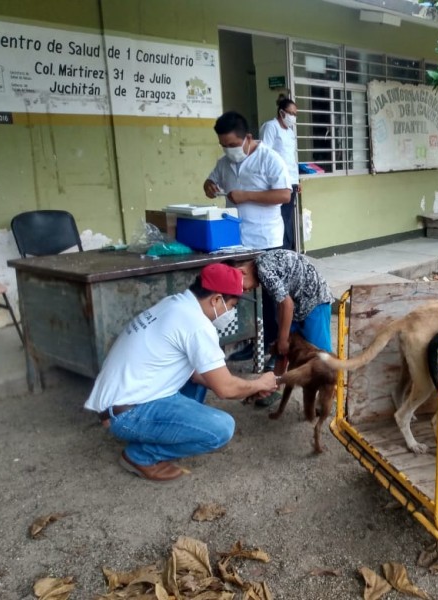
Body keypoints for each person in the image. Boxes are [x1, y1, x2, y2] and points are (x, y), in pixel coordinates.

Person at [84, 263, 279, 482]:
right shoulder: (197, 326)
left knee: (202, 373)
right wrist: (259, 384)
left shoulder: (174, 303)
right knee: (221, 428)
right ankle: (140, 456)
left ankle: (163, 430)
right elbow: (225, 389)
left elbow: (200, 375)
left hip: (116, 404)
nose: (231, 312)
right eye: (232, 305)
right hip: (126, 414)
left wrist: (246, 387)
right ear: (215, 300)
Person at [203, 111, 291, 364]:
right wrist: (208, 186)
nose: (228, 150)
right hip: (237, 241)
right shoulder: (224, 163)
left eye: (232, 144)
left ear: (248, 138)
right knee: (242, 295)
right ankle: (254, 343)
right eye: (223, 145)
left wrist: (248, 195)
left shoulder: (270, 159)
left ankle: (276, 348)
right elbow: (211, 182)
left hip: (268, 239)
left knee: (273, 298)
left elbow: (285, 195)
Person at [229, 250, 334, 406]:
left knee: (321, 355)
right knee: (282, 350)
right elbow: (283, 302)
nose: (246, 291)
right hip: (296, 303)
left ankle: (328, 395)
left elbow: (287, 304)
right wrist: (282, 337)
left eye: (243, 287)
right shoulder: (261, 266)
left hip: (315, 301)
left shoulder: (263, 270)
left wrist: (283, 339)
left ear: (243, 272)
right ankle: (273, 387)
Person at [259, 96, 300, 252]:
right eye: (291, 113)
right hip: (277, 183)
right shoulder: (270, 127)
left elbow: (291, 157)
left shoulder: (289, 132)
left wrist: (297, 180)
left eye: (295, 114)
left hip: (291, 181)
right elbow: (264, 154)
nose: (293, 117)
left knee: (288, 218)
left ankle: (288, 251)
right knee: (279, 218)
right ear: (282, 112)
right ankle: (280, 251)